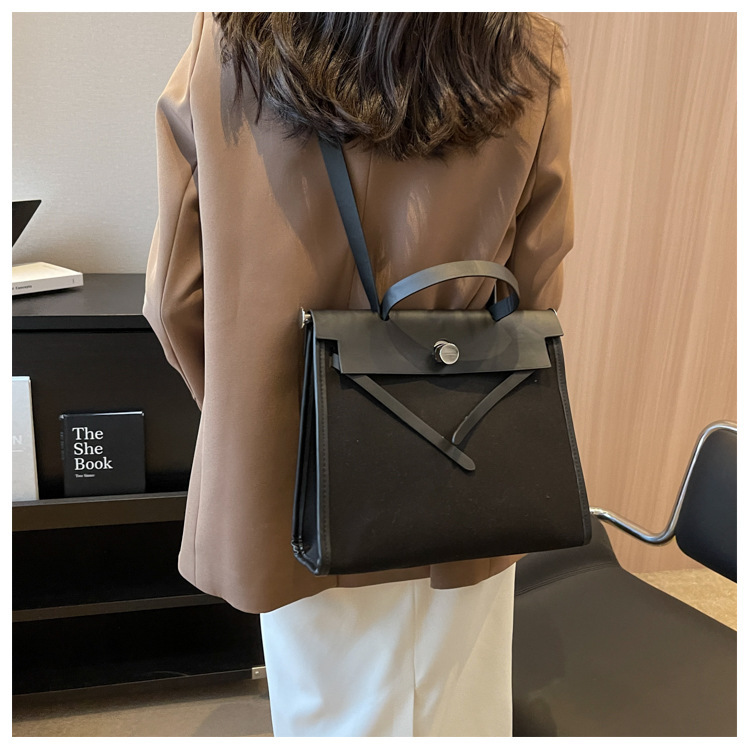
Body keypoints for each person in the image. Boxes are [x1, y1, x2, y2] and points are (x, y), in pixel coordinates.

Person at [144, 12, 573, 737]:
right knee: (455, 714)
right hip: (460, 467)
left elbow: (172, 300)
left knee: (322, 715)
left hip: (289, 497)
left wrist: (261, 424)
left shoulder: (235, 36)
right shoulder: (524, 45)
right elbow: (533, 291)